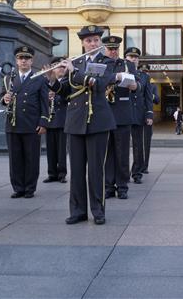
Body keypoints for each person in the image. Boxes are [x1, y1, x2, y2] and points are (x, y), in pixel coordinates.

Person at [49, 24, 115, 225]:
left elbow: (99, 85)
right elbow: (66, 91)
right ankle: (78, 211)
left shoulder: (107, 62)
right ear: (83, 43)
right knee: (76, 170)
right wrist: (53, 79)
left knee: (96, 170)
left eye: (95, 40)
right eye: (88, 41)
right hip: (75, 121)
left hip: (98, 122)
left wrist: (74, 71)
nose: (92, 43)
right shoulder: (75, 62)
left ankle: (98, 210)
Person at [1, 45, 48, 199]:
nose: (24, 61)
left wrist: (43, 122)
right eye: (21, 58)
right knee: (15, 158)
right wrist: (4, 99)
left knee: (31, 157)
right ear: (16, 60)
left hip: (31, 123)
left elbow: (44, 103)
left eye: (27, 58)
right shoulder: (9, 78)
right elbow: (1, 97)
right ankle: (18, 187)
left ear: (31, 60)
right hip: (13, 123)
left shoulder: (39, 78)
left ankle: (29, 188)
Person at [101, 35, 138, 200]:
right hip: (104, 112)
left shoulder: (127, 64)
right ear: (104, 49)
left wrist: (136, 85)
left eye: (115, 49)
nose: (113, 52)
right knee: (107, 152)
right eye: (110, 49)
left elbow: (139, 82)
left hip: (122, 113)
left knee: (122, 153)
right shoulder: (99, 64)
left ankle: (122, 186)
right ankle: (108, 186)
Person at [126, 48, 153, 184]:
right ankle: (123, 173)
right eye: (131, 57)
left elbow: (148, 97)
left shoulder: (144, 76)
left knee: (138, 145)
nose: (134, 59)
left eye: (136, 57)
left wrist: (149, 114)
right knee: (122, 146)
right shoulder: (121, 73)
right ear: (126, 58)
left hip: (138, 114)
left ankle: (137, 172)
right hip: (123, 114)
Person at [43, 56, 68, 184]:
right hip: (50, 119)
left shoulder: (68, 81)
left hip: (63, 119)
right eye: (59, 67)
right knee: (50, 149)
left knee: (62, 149)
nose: (61, 69)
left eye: (63, 67)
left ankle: (62, 173)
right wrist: (47, 97)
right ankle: (52, 173)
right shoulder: (47, 82)